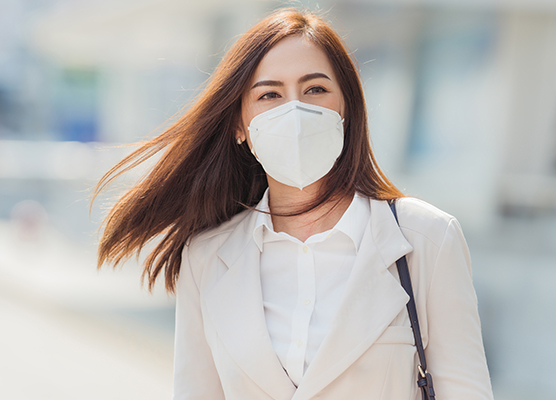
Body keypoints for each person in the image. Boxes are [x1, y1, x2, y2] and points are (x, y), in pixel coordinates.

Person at [93, 8, 493, 400]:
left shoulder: (427, 239)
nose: (295, 110)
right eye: (270, 94)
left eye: (315, 89)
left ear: (346, 108)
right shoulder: (208, 257)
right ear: (239, 124)